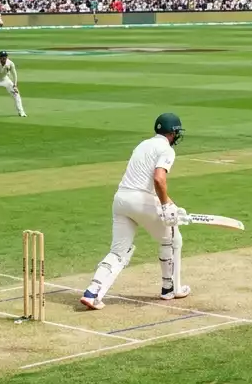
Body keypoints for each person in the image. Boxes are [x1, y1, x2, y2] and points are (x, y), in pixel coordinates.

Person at [81, 113, 190, 310]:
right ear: (173, 132)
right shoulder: (166, 150)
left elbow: (144, 183)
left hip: (121, 200)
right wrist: (166, 207)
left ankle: (92, 292)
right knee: (173, 240)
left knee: (118, 252)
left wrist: (171, 205)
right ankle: (170, 288)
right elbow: (158, 179)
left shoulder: (143, 145)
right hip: (140, 201)